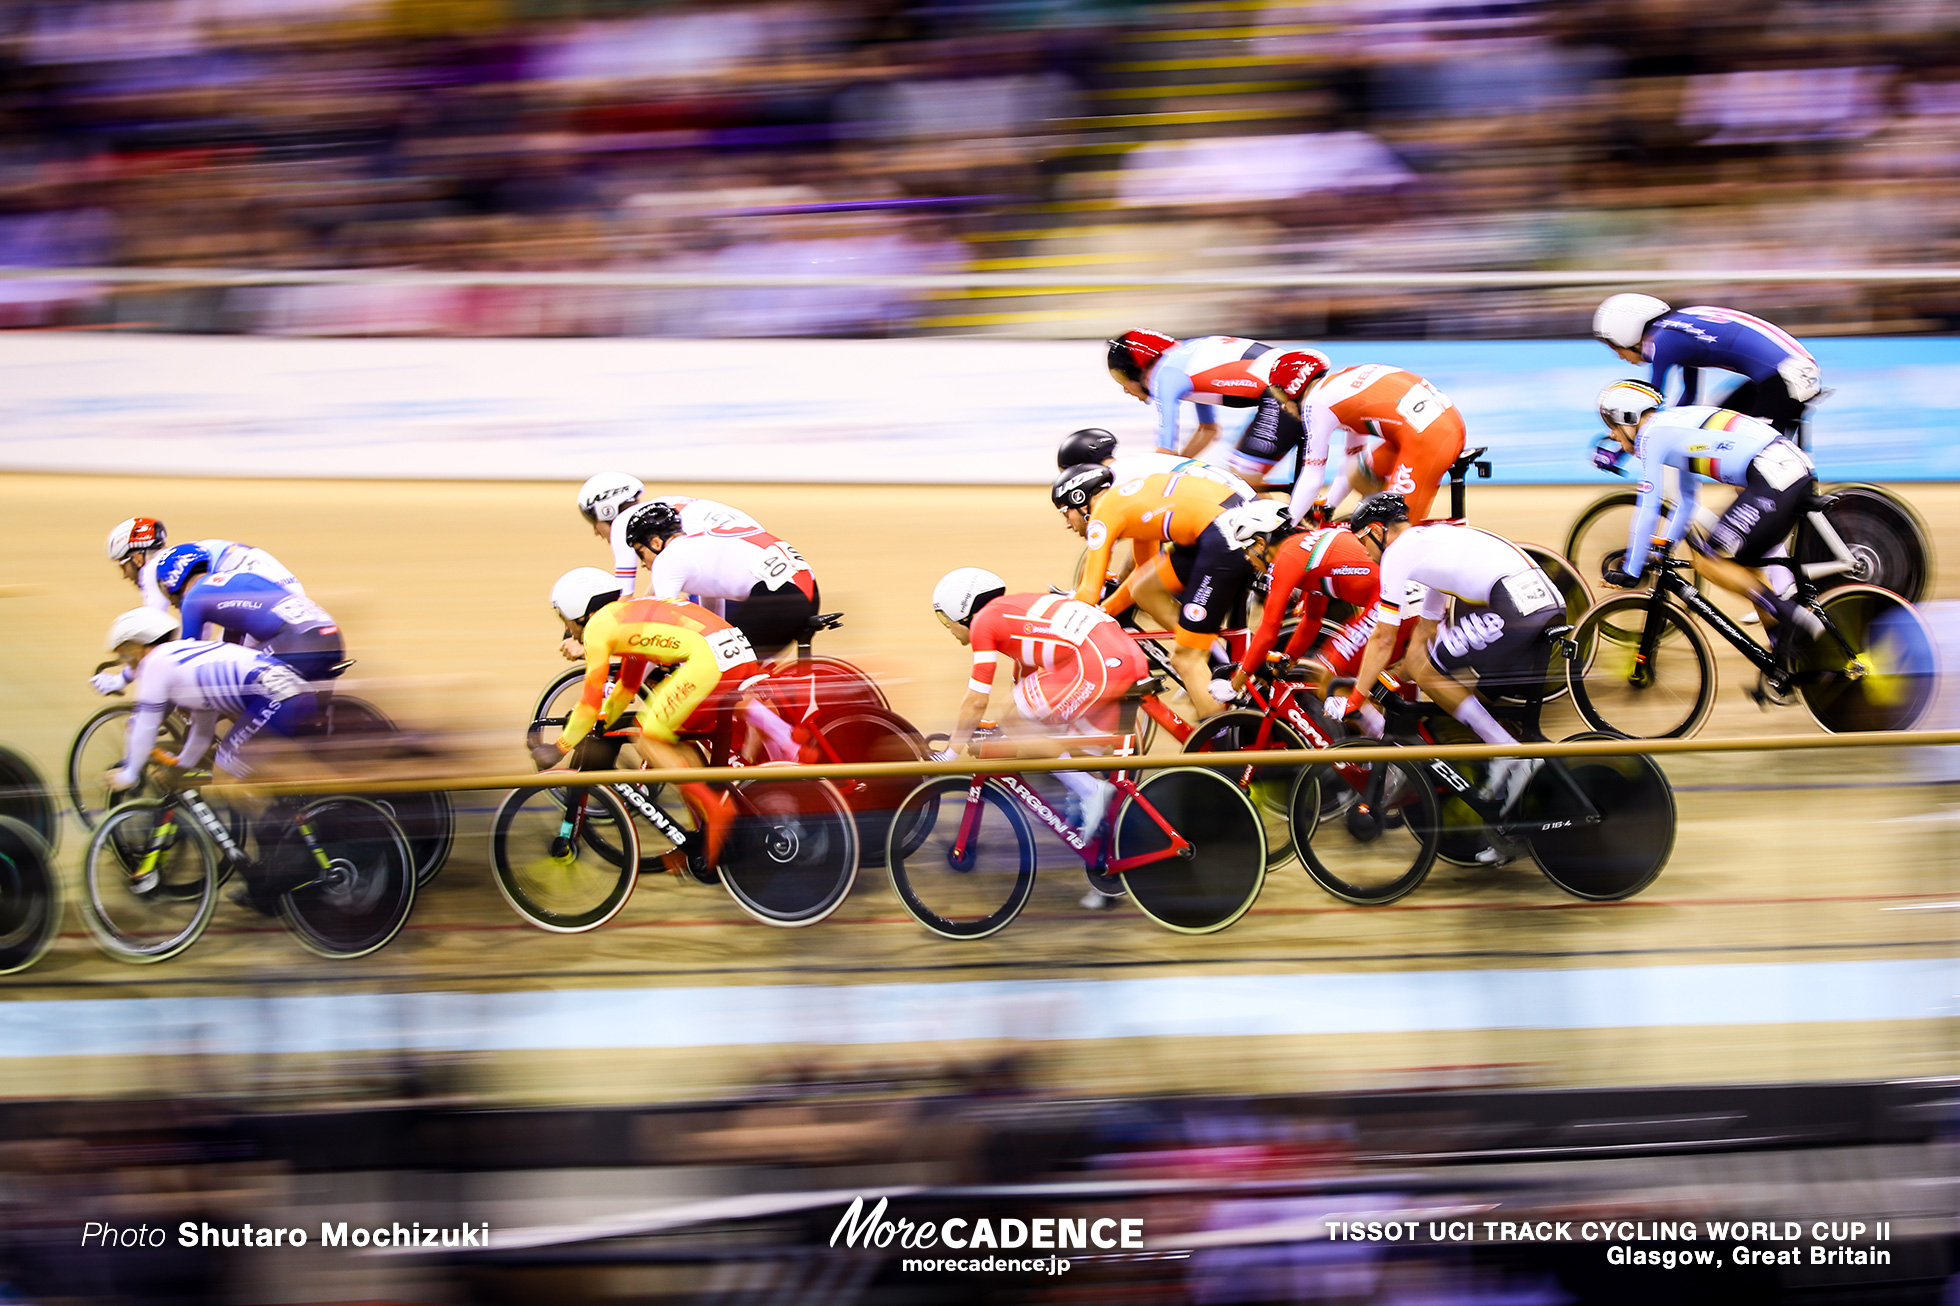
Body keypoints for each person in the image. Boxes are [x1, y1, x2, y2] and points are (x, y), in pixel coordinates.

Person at [931, 567, 1150, 908]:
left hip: (1098, 663)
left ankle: (1093, 792)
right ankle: (1106, 871)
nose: (948, 629)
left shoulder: (983, 622)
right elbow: (1023, 690)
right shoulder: (1015, 619)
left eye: (946, 620)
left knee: (1023, 728)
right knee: (1074, 759)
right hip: (1124, 658)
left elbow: (977, 699)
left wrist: (950, 752)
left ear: (963, 609)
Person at [1335, 493, 1565, 813]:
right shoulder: (1429, 546)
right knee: (1434, 673)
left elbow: (1383, 638)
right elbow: (1425, 632)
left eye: (1362, 541)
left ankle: (1507, 752)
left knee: (1427, 671)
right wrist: (1392, 677)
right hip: (1541, 602)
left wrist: (1356, 696)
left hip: (1516, 609)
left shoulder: (1398, 553)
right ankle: (1509, 812)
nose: (1365, 552)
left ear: (1377, 530)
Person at [547, 571, 787, 870]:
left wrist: (558, 746)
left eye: (564, 620)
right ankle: (707, 828)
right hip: (737, 654)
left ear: (578, 611)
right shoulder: (626, 616)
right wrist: (602, 721)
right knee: (674, 739)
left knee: (647, 736)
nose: (568, 630)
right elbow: (627, 687)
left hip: (709, 661)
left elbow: (589, 700)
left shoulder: (598, 627)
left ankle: (716, 811)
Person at [102, 606, 321, 909]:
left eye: (126, 653)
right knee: (242, 778)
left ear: (141, 644)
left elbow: (145, 725)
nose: (126, 662)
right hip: (289, 695)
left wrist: (129, 773)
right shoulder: (183, 661)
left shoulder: (157, 663)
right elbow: (202, 731)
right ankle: (274, 871)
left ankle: (295, 859)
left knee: (225, 779)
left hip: (277, 698)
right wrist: (182, 768)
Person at [1595, 380, 1823, 660]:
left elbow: (1649, 505)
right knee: (1744, 570)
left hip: (1773, 477)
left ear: (1627, 417)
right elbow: (1687, 501)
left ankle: (1791, 615)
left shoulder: (1652, 435)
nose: (1613, 435)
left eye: (1613, 425)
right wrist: (1664, 546)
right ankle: (1785, 655)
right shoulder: (1670, 428)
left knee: (1709, 562)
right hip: (1784, 472)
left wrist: (1631, 568)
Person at [1059, 462, 1272, 720]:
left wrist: (1059, 620)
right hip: (1224, 527)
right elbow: (1142, 574)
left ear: (1080, 502)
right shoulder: (1132, 500)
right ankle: (1202, 645)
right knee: (1145, 589)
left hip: (1221, 537)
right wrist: (1107, 612)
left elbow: (1088, 594)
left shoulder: (1103, 513)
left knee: (1184, 660)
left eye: (1064, 513)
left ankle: (1223, 741)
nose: (1067, 525)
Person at [91, 539, 309, 696]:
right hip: (279, 591)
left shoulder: (153, 571)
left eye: (123, 566)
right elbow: (197, 636)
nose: (123, 575)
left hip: (266, 600)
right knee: (217, 659)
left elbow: (153, 637)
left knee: (231, 671)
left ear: (137, 558)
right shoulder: (182, 558)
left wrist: (123, 679)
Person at [1592, 294, 1821, 441]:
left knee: (1755, 464)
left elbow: (1649, 405)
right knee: (1717, 431)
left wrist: (1620, 447)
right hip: (1784, 374)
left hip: (1783, 378)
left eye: (1615, 348)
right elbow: (1689, 397)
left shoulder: (1664, 342)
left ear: (1625, 333)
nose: (1619, 356)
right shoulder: (1676, 330)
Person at [1270, 355, 1467, 526]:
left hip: (1427, 439)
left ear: (1294, 387)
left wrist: (1288, 523)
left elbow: (1312, 475)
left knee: (1391, 532)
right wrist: (1328, 506)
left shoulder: (1314, 403)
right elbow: (1352, 459)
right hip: (1439, 426)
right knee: (1361, 474)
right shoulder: (1337, 386)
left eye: (1280, 395)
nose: (1282, 406)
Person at [619, 501, 819, 660]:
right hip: (800, 589)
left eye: (640, 553)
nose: (642, 564)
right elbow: (714, 621)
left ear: (655, 542)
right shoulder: (698, 547)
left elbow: (662, 624)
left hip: (782, 597)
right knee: (726, 661)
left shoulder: (668, 559)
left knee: (719, 667)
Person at [1105, 330, 1300, 467]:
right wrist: (1179, 467)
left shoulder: (1164, 374)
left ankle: (1293, 520)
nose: (1124, 389)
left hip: (1282, 390)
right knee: (1249, 470)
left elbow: (1165, 453)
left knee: (1246, 473)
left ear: (1139, 368)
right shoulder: (1184, 362)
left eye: (1121, 377)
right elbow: (1208, 431)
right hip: (1294, 382)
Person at [1230, 522, 1380, 698]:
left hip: (1383, 599)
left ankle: (1379, 726)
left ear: (1261, 544)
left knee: (1329, 682)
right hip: (1391, 593)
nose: (1247, 558)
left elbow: (1269, 629)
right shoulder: (1304, 549)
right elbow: (1312, 620)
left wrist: (1235, 684)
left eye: (1246, 548)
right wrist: (1289, 659)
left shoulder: (1286, 557)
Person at [171, 557, 346, 687]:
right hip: (332, 636)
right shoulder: (238, 578)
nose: (171, 603)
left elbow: (186, 656)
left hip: (298, 642)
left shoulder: (192, 599)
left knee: (234, 680)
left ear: (170, 582)